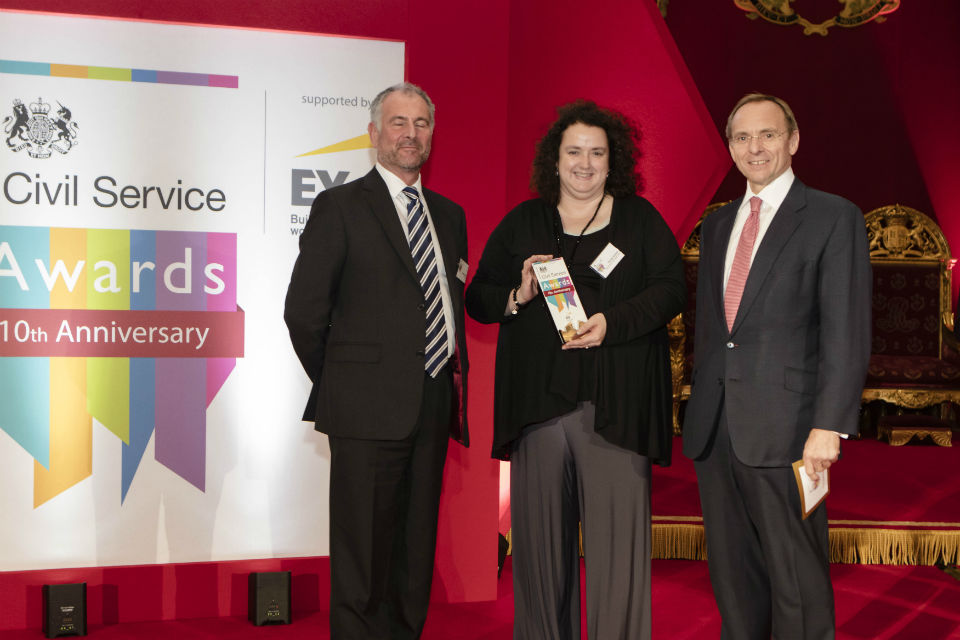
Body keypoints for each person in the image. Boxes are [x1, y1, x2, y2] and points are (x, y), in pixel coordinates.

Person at [465, 100, 685, 640]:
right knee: (540, 558)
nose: (584, 164)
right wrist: (519, 292)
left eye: (596, 153)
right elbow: (478, 298)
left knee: (618, 561)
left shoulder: (640, 220)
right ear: (554, 160)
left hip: (616, 409)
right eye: (573, 152)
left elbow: (671, 290)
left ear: (614, 162)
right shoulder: (523, 221)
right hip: (538, 410)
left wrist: (613, 322)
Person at [682, 93, 871, 639]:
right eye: (741, 138)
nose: (754, 147)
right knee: (734, 580)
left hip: (790, 431)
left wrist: (829, 424)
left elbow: (846, 330)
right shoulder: (718, 226)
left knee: (798, 582)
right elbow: (718, 333)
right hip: (717, 430)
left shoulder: (834, 217)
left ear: (792, 140)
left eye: (766, 135)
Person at [284, 82, 469, 639]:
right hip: (365, 413)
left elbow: (448, 300)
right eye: (398, 123)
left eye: (421, 124)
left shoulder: (450, 214)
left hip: (433, 405)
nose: (410, 134)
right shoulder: (339, 206)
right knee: (362, 559)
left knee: (414, 558)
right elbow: (303, 313)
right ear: (373, 133)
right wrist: (346, 380)